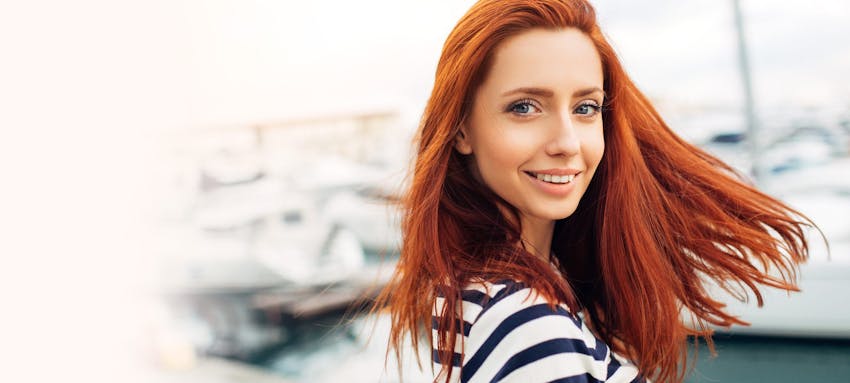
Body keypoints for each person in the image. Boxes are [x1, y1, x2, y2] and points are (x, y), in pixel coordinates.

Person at [371, 0, 812, 382]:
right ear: (462, 129)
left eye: (585, 108)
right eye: (525, 107)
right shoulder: (530, 326)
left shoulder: (471, 288)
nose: (567, 142)